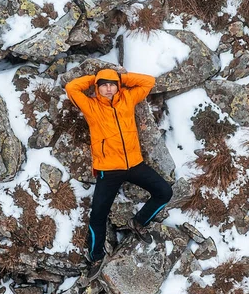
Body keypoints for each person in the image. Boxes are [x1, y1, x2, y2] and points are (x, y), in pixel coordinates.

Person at [65, 67, 173, 277]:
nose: (108, 89)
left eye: (112, 84)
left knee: (164, 192)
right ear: (97, 87)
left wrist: (121, 78)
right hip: (108, 170)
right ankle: (96, 257)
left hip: (134, 165)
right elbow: (71, 87)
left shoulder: (127, 99)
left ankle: (138, 222)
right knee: (98, 215)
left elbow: (148, 81)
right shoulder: (91, 106)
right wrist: (94, 78)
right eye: (103, 85)